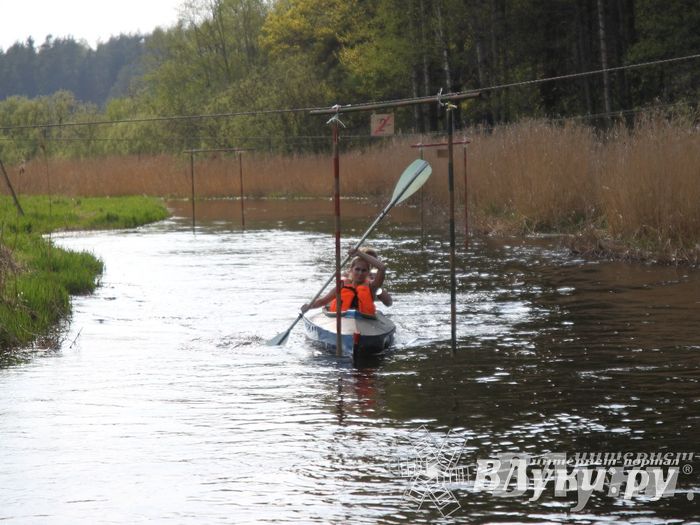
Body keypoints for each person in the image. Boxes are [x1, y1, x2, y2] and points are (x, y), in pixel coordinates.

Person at [301, 248, 386, 315]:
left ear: (368, 272)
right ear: (351, 270)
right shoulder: (342, 285)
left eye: (364, 270)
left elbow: (382, 268)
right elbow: (323, 301)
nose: (360, 273)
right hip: (342, 320)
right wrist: (309, 306)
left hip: (365, 321)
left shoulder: (372, 287)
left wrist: (360, 253)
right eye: (357, 269)